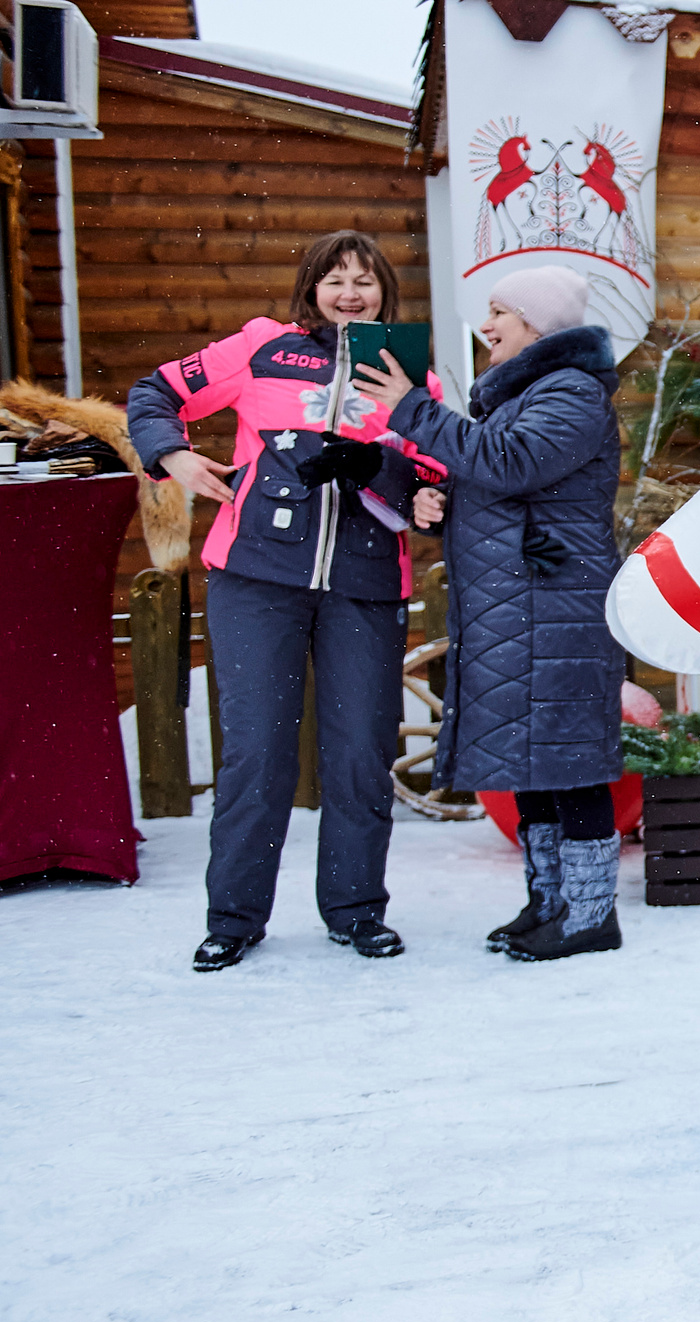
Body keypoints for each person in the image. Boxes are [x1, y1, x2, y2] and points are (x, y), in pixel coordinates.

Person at [128, 230, 444, 972]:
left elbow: (434, 475)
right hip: (256, 576)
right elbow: (156, 391)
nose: (350, 293)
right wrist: (169, 452)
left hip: (366, 585)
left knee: (362, 755)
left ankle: (356, 910)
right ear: (311, 287)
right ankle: (234, 918)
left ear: (383, 293)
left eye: (364, 280)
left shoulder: (405, 370)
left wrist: (386, 470)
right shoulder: (261, 348)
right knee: (257, 754)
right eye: (335, 279)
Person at [348, 265, 627, 961]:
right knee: (534, 763)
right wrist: (436, 499)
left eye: (501, 312)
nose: (488, 325)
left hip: (555, 607)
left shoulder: (573, 390)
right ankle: (550, 902)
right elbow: (500, 485)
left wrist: (411, 407)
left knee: (571, 763)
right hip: (523, 606)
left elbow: (508, 463)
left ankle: (592, 916)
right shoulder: (529, 393)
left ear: (539, 324)